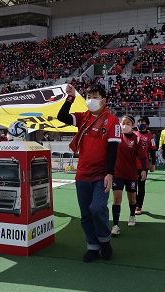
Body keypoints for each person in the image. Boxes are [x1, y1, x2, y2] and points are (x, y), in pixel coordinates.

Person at [57, 84, 120, 263]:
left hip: (101, 174)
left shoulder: (112, 120)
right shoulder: (83, 117)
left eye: (94, 96)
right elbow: (61, 116)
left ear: (104, 100)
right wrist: (70, 97)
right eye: (88, 96)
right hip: (82, 174)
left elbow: (113, 148)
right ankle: (92, 245)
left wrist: (110, 173)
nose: (91, 99)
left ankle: (104, 241)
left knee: (97, 208)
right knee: (85, 213)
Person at [111, 115, 147, 236]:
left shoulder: (137, 139)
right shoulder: (116, 136)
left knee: (132, 199)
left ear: (132, 125)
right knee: (117, 199)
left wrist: (143, 169)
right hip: (117, 173)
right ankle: (115, 225)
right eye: (122, 122)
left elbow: (142, 155)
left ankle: (132, 216)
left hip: (131, 173)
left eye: (127, 123)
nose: (124, 125)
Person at [134, 117, 156, 215]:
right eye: (139, 122)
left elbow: (153, 150)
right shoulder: (133, 134)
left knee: (141, 186)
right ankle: (133, 204)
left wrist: (153, 164)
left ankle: (139, 206)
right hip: (132, 165)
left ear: (147, 125)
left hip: (143, 166)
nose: (140, 124)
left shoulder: (150, 136)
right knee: (132, 187)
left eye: (142, 122)